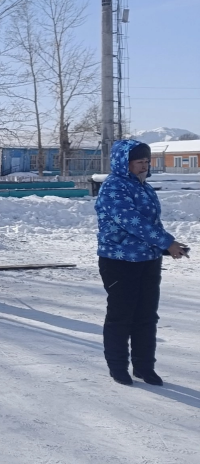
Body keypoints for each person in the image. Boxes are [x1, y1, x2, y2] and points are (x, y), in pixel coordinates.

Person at [95, 140, 188, 386]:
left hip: (147, 260)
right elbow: (132, 222)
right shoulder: (114, 187)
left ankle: (144, 367)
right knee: (121, 316)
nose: (145, 166)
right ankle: (118, 368)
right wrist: (166, 242)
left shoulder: (143, 187)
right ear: (124, 163)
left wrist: (166, 246)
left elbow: (152, 223)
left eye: (147, 161)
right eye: (139, 162)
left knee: (146, 316)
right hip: (119, 261)